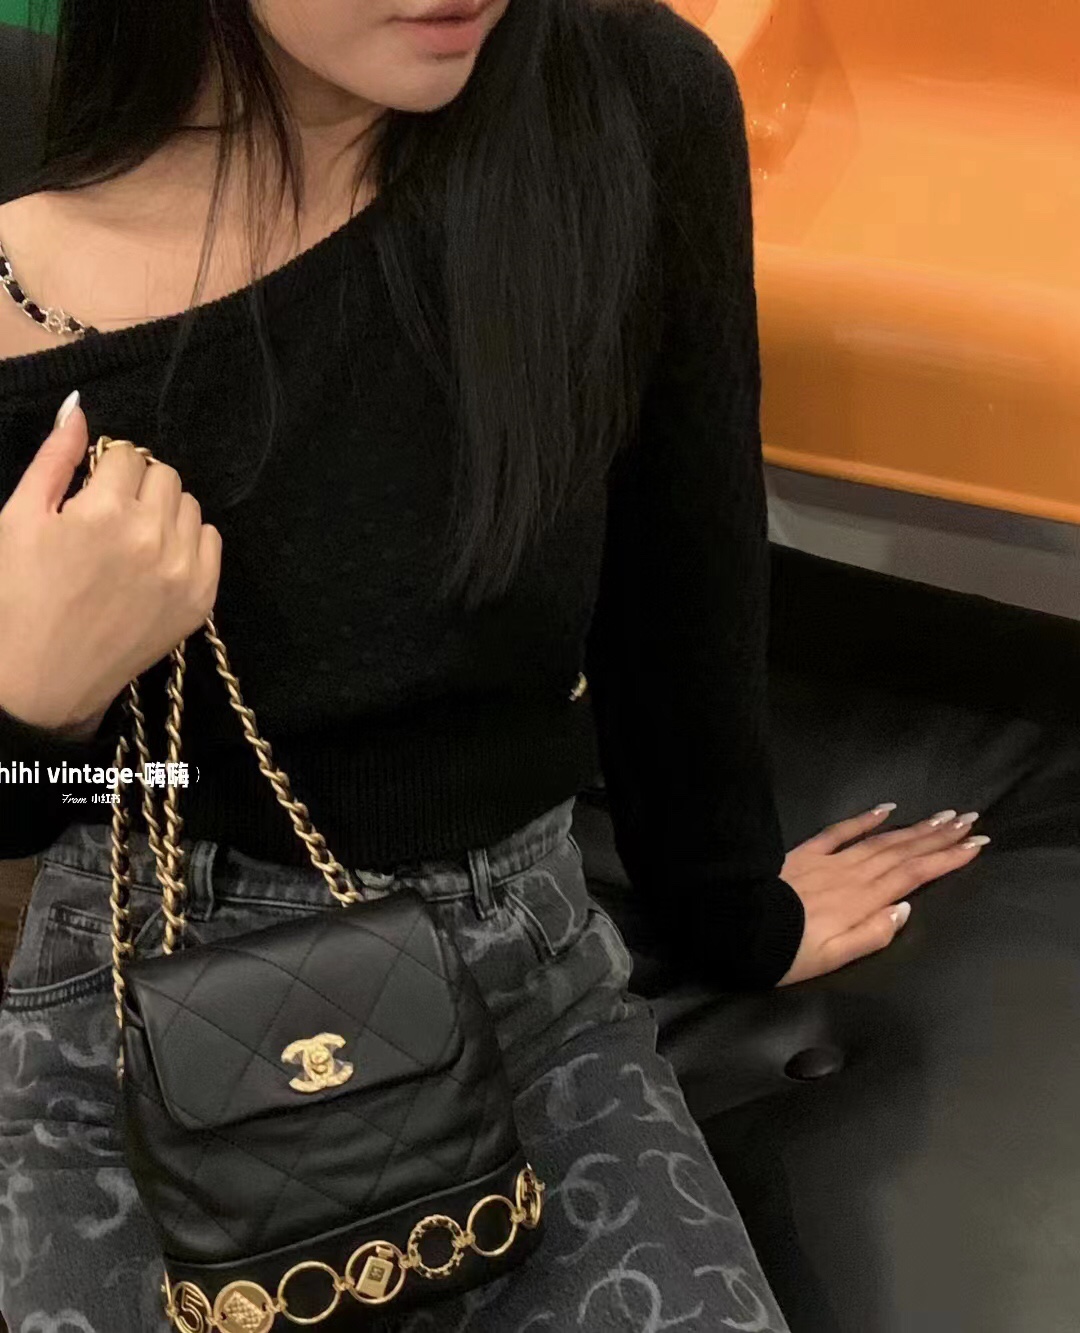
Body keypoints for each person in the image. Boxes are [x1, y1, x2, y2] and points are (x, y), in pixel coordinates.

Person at [0, 0, 990, 1327]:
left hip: (520, 971)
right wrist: (27, 707)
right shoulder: (26, 193)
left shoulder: (619, 102)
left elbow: (679, 582)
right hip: (139, 976)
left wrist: (740, 920)